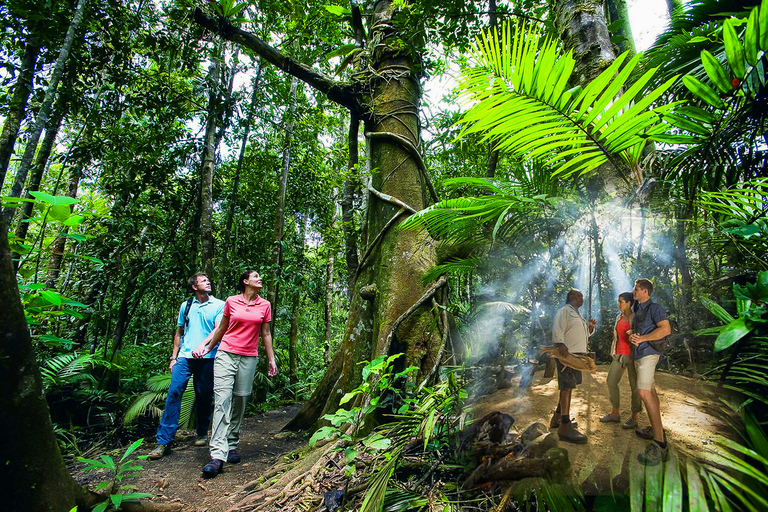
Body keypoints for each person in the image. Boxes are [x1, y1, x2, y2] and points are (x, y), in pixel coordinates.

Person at [192, 270, 277, 478]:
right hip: (226, 354)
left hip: (249, 357)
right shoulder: (231, 301)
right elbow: (222, 328)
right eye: (256, 276)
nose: (260, 278)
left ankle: (231, 443)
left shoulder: (265, 305)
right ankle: (217, 455)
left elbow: (265, 333)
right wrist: (208, 347)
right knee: (222, 400)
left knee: (240, 399)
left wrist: (272, 359)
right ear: (245, 282)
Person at [148, 274, 225, 460]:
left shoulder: (219, 305)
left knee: (204, 395)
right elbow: (179, 332)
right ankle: (164, 442)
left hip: (208, 357)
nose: (208, 282)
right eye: (203, 280)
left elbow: (218, 329)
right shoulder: (186, 305)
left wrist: (204, 347)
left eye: (208, 279)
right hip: (184, 357)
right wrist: (173, 357)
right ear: (194, 286)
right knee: (174, 393)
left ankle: (200, 432)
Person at [630, 278, 672, 466]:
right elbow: (639, 333)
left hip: (649, 354)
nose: (633, 292)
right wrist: (634, 336)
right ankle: (657, 430)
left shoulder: (655, 308)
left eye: (636, 289)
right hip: (640, 355)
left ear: (645, 291)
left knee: (644, 392)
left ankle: (659, 444)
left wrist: (643, 339)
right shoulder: (638, 309)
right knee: (651, 392)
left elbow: (666, 329)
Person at [550, 289, 596, 444]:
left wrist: (589, 328)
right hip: (567, 355)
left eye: (582, 296)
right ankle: (564, 426)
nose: (582, 298)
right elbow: (558, 329)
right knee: (566, 387)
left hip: (577, 355)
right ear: (571, 298)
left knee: (569, 385)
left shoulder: (577, 314)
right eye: (579, 296)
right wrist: (560, 343)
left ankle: (557, 418)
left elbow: (583, 335)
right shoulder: (565, 311)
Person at [599, 292, 642, 429]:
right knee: (611, 381)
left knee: (635, 386)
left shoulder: (637, 317)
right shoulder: (619, 317)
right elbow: (616, 337)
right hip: (619, 354)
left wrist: (634, 332)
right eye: (618, 301)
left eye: (622, 301)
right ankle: (615, 413)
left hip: (633, 355)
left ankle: (634, 417)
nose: (619, 304)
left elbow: (643, 334)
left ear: (629, 303)